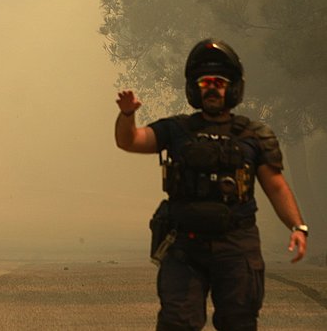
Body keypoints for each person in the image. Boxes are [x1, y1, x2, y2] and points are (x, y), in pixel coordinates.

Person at [114, 38, 309, 331]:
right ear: (196, 88)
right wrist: (127, 114)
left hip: (237, 245)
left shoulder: (254, 136)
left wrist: (297, 227)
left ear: (232, 87)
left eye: (219, 81)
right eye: (205, 82)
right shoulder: (176, 130)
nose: (213, 88)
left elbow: (277, 186)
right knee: (177, 323)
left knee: (239, 322)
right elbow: (129, 141)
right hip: (184, 247)